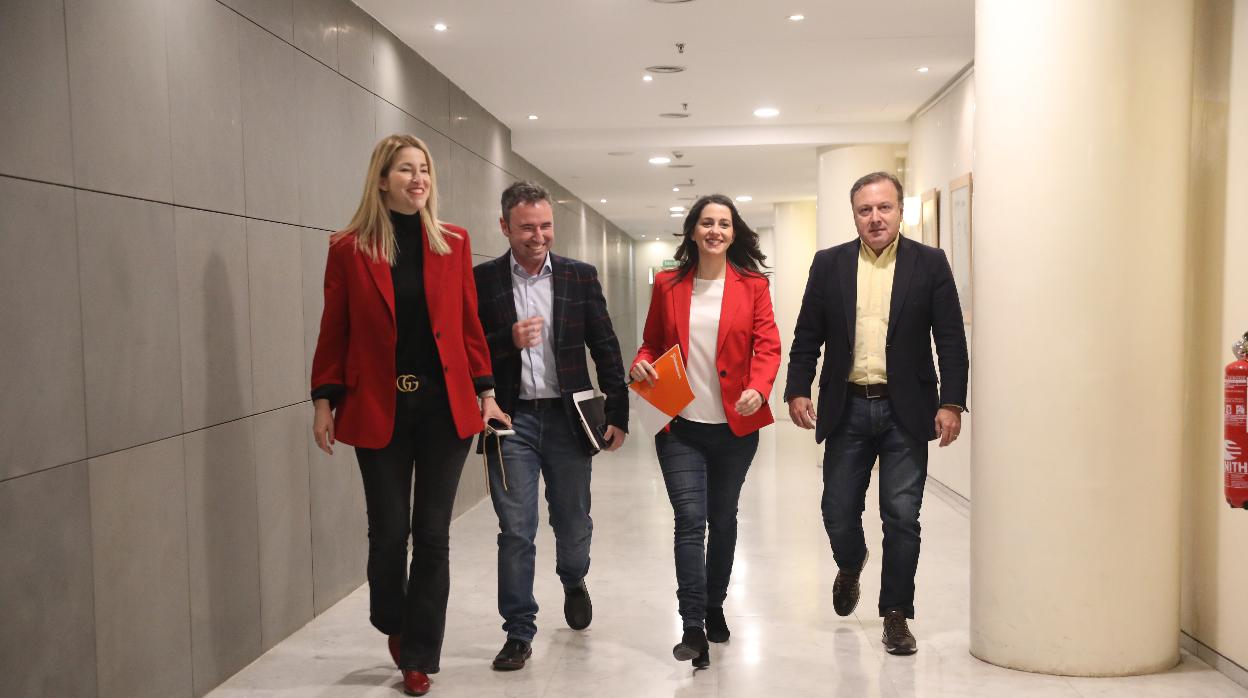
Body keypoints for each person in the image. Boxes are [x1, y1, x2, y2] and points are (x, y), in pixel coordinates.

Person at [309, 134, 508, 697]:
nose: (418, 179)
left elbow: (469, 326)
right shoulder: (348, 248)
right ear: (381, 180)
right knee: (390, 531)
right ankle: (393, 619)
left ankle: (419, 655)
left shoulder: (454, 242)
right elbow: (335, 328)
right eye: (405, 170)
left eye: (424, 170)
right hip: (379, 405)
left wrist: (486, 393)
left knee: (433, 534)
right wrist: (324, 398)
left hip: (445, 409)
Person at [784, 171, 968, 656]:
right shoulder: (830, 264)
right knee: (837, 508)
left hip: (906, 410)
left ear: (900, 210)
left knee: (902, 515)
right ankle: (851, 560)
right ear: (854, 216)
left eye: (884, 207)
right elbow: (806, 336)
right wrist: (797, 389)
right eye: (865, 210)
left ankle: (895, 614)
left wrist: (952, 401)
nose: (875, 218)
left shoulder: (929, 264)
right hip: (847, 407)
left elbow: (950, 339)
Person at [473, 181, 629, 671]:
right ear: (505, 227)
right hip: (510, 420)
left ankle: (573, 576)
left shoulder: (579, 277)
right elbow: (467, 350)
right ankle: (518, 631)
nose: (538, 236)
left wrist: (618, 413)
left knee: (572, 522)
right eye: (526, 227)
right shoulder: (482, 281)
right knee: (516, 529)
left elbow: (605, 345)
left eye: (545, 225)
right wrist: (508, 339)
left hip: (567, 420)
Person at [630, 194, 781, 669]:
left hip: (735, 428)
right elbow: (651, 343)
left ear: (734, 233)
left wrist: (759, 387)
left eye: (724, 224)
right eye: (707, 222)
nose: (715, 230)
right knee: (690, 522)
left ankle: (715, 604)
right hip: (680, 425)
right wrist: (640, 365)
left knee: (724, 518)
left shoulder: (753, 285)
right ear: (693, 230)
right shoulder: (668, 283)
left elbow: (768, 344)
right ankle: (692, 624)